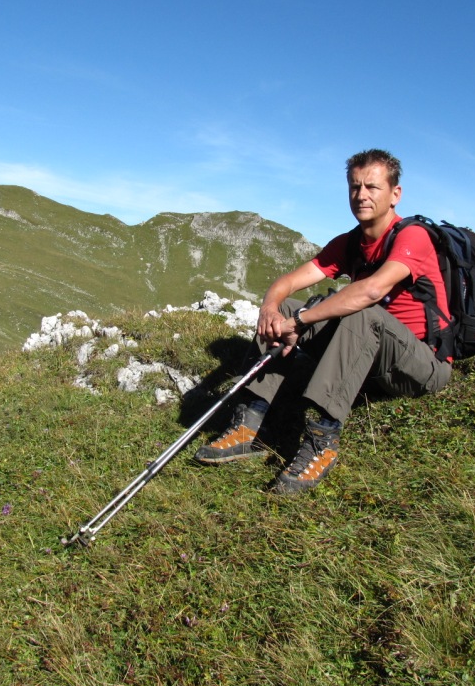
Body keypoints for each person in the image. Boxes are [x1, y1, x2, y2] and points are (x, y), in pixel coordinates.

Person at [193, 148, 453, 494]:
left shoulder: (412, 236)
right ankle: (249, 425)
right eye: (354, 186)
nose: (361, 195)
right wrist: (270, 309)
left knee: (359, 311)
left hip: (421, 366)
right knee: (286, 309)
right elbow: (289, 282)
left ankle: (322, 441)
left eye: (372, 187)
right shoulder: (350, 243)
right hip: (371, 359)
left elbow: (371, 290)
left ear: (395, 194)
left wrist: (301, 322)